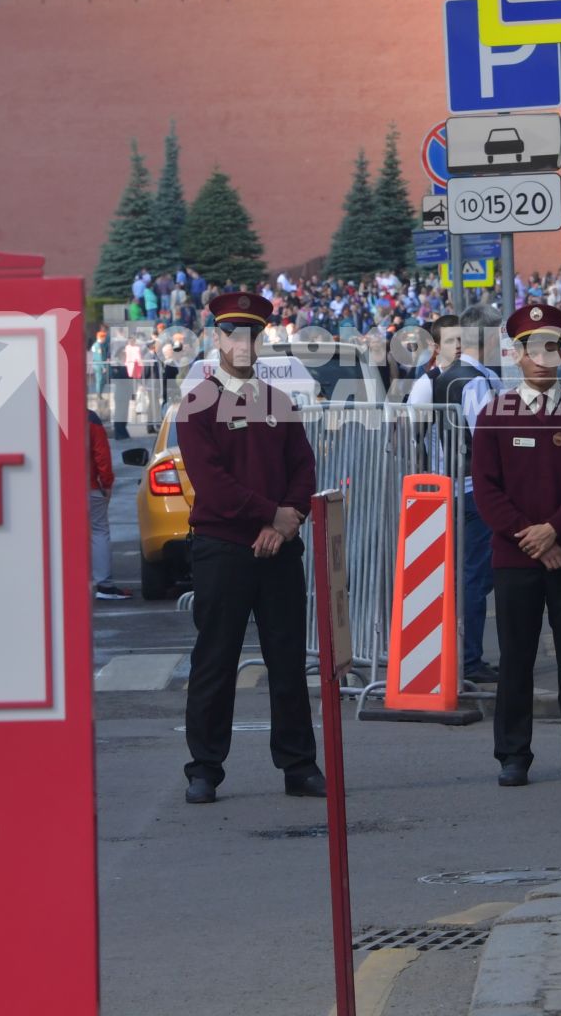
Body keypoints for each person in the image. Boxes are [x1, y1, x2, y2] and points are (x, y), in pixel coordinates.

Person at [175, 291, 324, 805]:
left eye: (252, 335)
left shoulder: (278, 403)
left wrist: (284, 524)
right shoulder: (197, 406)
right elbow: (212, 485)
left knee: (287, 659)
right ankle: (205, 768)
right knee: (215, 659)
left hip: (278, 549)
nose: (243, 343)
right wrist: (271, 515)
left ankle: (299, 764)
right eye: (232, 334)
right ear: (216, 338)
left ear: (261, 340)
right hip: (223, 549)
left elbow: (303, 468)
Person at [470, 303, 561, 786]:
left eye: (552, 345)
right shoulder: (494, 416)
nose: (544, 357)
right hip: (515, 559)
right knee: (516, 657)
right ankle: (513, 753)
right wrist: (531, 538)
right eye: (534, 347)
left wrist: (554, 530)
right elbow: (486, 489)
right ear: (517, 355)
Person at [407, 308, 506, 683]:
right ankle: (468, 659)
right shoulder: (475, 381)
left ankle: (455, 655)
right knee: (475, 578)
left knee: (462, 576)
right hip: (472, 489)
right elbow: (486, 439)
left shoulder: (445, 376)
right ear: (490, 337)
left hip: (451, 485)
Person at [87, 410, 129, 600]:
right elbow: (101, 454)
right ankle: (104, 584)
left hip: (54, 489)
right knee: (99, 531)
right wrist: (106, 483)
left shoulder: (45, 415)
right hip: (90, 487)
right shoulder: (90, 419)